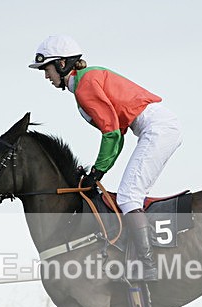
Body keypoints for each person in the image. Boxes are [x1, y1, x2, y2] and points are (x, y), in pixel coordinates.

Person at [28, 35, 182, 281]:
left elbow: (111, 133)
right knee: (131, 193)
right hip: (157, 127)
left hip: (156, 128)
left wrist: (97, 172)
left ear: (62, 64)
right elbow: (117, 134)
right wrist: (98, 171)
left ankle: (147, 265)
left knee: (129, 196)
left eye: (47, 68)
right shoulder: (86, 80)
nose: (46, 76)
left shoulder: (84, 85)